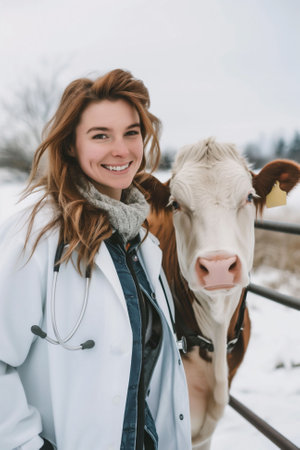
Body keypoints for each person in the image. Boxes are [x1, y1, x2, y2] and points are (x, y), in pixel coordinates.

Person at [0, 69, 191, 450]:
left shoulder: (141, 240)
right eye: (101, 135)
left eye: (131, 132)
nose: (121, 150)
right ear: (71, 145)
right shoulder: (36, 234)